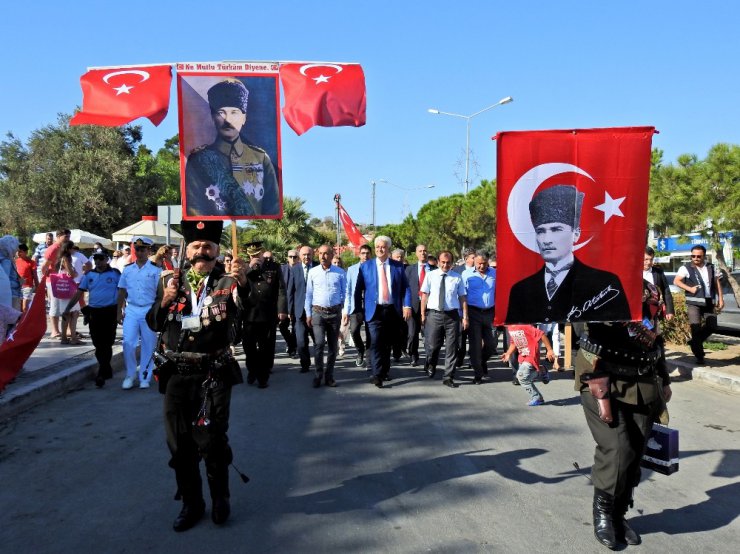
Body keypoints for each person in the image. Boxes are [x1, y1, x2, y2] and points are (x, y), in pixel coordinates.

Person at [146, 219, 247, 532]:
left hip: (212, 373)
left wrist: (241, 291)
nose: (201, 252)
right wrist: (164, 301)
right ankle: (192, 502)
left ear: (217, 252)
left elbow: (238, 328)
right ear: (186, 250)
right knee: (179, 443)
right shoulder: (169, 280)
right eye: (196, 247)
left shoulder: (227, 283)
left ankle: (220, 497)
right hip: (176, 373)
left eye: (208, 247)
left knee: (213, 439)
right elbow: (154, 322)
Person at [575, 279, 673, 549]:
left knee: (636, 449)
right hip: (601, 378)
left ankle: (619, 514)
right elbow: (576, 321)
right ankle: (603, 513)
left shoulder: (648, 289)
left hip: (642, 379)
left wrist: (664, 378)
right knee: (617, 448)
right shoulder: (596, 290)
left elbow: (655, 338)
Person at [506, 185, 629, 324]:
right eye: (540, 231)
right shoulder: (521, 290)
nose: (547, 240)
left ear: (576, 234)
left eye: (556, 229)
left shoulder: (605, 283)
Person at [185, 78, 279, 217]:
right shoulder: (198, 160)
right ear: (212, 117)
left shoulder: (260, 158)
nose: (227, 120)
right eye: (221, 112)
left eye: (234, 112)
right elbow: (194, 209)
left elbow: (273, 208)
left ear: (244, 118)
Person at [354, 236, 412, 388]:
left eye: (383, 247)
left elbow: (406, 288)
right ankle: (376, 374)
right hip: (374, 311)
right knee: (375, 341)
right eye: (378, 247)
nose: (380, 249)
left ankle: (385, 371)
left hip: (392, 310)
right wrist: (358, 310)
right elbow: (358, 290)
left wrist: (407, 306)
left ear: (388, 249)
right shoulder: (366, 266)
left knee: (387, 343)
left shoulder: (398, 266)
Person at [64, 251, 121, 387]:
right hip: (94, 312)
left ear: (107, 259)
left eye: (101, 258)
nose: (98, 261)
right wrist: (68, 308)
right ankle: (106, 369)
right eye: (96, 259)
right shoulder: (89, 275)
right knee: (97, 342)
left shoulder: (115, 274)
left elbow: (123, 292)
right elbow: (79, 293)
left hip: (110, 311)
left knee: (107, 342)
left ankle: (101, 372)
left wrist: (123, 310)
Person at [240, 241, 287, 388]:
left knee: (266, 346)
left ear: (262, 253)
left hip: (268, 313)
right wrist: (249, 269)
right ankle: (252, 369)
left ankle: (263, 376)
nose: (256, 257)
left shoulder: (273, 267)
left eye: (258, 254)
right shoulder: (244, 268)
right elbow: (241, 291)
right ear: (249, 255)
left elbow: (280, 289)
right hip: (250, 314)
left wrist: (282, 309)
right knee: (249, 347)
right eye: (253, 255)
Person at [117, 236, 161, 389]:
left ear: (149, 251)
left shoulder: (156, 269)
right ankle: (130, 374)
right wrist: (118, 311)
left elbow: (159, 293)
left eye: (143, 249)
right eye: (138, 249)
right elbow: (121, 290)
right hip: (132, 309)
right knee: (128, 343)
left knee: (149, 344)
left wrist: (158, 312)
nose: (140, 252)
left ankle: (145, 376)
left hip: (149, 309)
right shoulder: (128, 269)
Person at [420, 250, 468, 388]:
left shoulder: (457, 278)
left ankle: (448, 376)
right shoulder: (430, 276)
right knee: (433, 346)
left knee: (452, 347)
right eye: (443, 262)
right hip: (434, 315)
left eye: (448, 263)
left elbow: (462, 298)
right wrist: (423, 314)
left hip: (452, 316)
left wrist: (465, 317)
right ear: (438, 262)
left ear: (452, 263)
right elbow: (424, 296)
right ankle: (431, 363)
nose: (445, 265)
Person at [673, 244, 723, 364]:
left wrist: (721, 299)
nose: (695, 258)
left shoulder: (711, 267)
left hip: (708, 302)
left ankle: (694, 341)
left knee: (712, 325)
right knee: (695, 328)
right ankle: (700, 356)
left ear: (704, 256)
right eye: (693, 256)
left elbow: (717, 282)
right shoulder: (685, 268)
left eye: (698, 256)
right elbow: (676, 281)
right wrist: (690, 289)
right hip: (693, 302)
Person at [305, 245, 347, 387]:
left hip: (334, 313)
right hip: (318, 313)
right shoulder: (313, 272)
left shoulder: (340, 272)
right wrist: (308, 313)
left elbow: (345, 293)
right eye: (320, 254)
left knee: (333, 347)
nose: (323, 256)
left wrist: (344, 310)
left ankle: (329, 376)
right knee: (319, 344)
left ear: (331, 255)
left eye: (326, 254)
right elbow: (309, 294)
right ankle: (318, 374)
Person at [463, 251, 496, 383]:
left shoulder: (494, 273)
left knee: (491, 345)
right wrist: (464, 315)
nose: (481, 266)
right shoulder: (466, 274)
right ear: (474, 262)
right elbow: (462, 295)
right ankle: (478, 373)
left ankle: (481, 361)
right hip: (473, 312)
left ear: (488, 261)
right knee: (475, 344)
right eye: (478, 263)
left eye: (484, 263)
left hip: (489, 312)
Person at [503, 324, 555, 405]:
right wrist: (508, 353)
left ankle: (537, 397)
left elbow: (541, 334)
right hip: (522, 356)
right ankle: (541, 370)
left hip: (531, 355)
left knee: (521, 377)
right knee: (524, 377)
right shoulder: (509, 328)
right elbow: (513, 343)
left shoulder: (525, 326)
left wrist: (549, 350)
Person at [287, 245, 317, 373]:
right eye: (304, 255)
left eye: (308, 254)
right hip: (299, 311)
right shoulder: (295, 269)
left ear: (312, 255)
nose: (306, 257)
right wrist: (289, 310)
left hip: (316, 311)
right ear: (300, 256)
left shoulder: (318, 267)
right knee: (300, 341)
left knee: (318, 340)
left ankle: (319, 363)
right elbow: (290, 291)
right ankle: (305, 364)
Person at [343, 244, 372, 368]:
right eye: (363, 253)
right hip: (356, 306)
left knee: (371, 333)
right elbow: (348, 290)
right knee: (354, 331)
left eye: (367, 253)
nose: (365, 255)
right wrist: (346, 310)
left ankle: (370, 359)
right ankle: (360, 350)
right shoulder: (352, 269)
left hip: (371, 305)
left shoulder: (374, 268)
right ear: (359, 255)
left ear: (371, 255)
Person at [405, 244, 431, 367]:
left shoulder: (434, 269)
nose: (423, 253)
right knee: (412, 334)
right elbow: (405, 289)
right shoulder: (409, 269)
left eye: (425, 251)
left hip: (429, 306)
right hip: (413, 306)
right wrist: (405, 305)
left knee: (429, 334)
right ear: (416, 253)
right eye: (420, 251)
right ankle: (413, 355)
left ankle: (429, 358)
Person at [643, 246, 674, 322]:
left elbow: (666, 290)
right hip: (637, 312)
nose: (649, 262)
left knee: (653, 333)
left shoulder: (658, 272)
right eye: (646, 259)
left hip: (654, 311)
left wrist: (669, 310)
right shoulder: (632, 272)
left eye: (651, 259)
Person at [279, 249, 299, 357]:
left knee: (296, 328)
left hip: (297, 304)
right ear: (287, 258)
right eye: (290, 257)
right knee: (282, 327)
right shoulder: (282, 269)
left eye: (295, 257)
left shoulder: (301, 270)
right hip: (284, 304)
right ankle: (291, 343)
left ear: (298, 258)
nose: (292, 259)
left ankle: (292, 348)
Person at [0, 236, 22, 312]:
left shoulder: (6, 259)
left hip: (10, 295)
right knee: (11, 321)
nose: (16, 249)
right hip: (11, 295)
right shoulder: (6, 260)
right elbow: (4, 280)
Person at [15, 243, 38, 313]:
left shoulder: (31, 262)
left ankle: (25, 322)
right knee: (19, 308)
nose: (18, 253)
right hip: (17, 287)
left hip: (27, 287)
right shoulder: (15, 261)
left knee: (25, 307)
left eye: (20, 251)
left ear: (26, 252)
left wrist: (37, 285)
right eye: (17, 251)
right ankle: (20, 322)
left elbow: (35, 275)